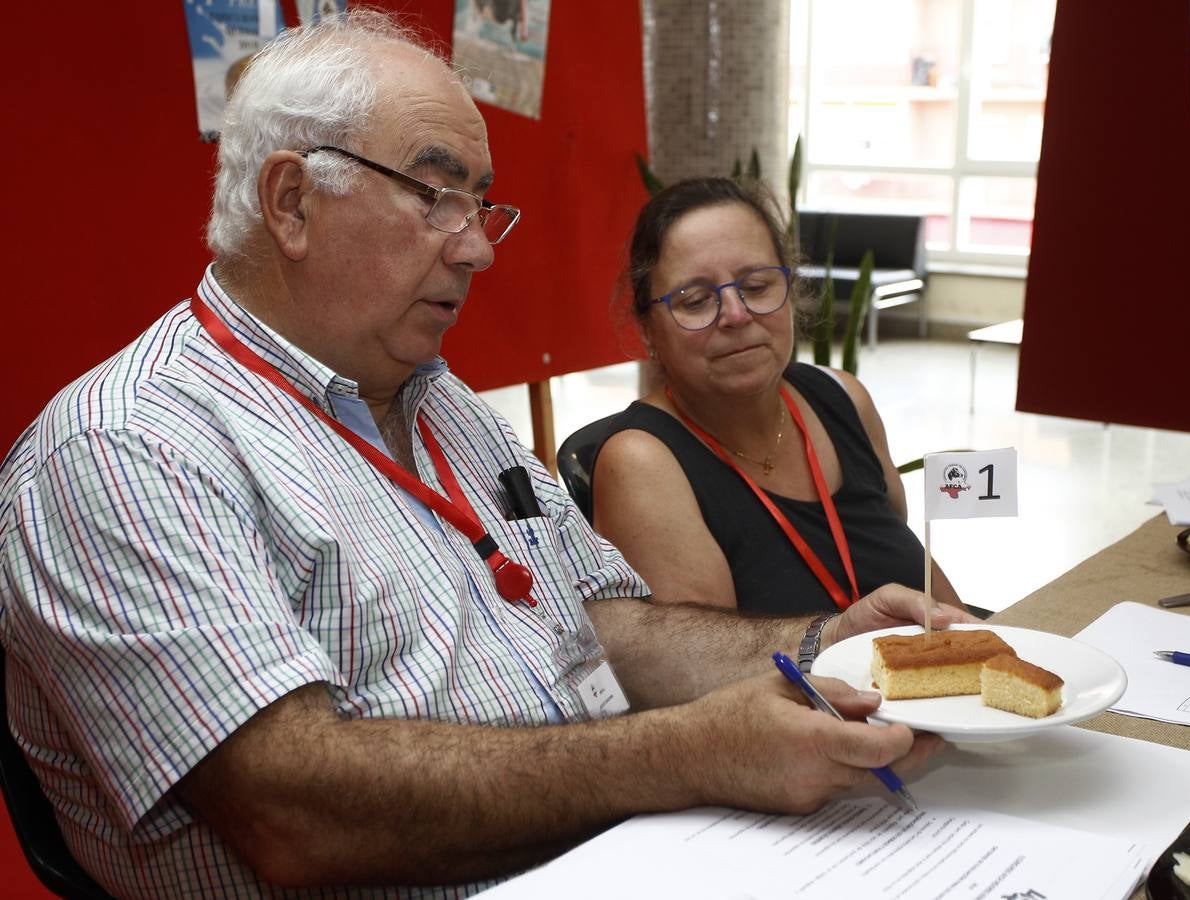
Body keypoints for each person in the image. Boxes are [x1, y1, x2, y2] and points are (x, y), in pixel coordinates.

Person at [0, 11, 967, 898]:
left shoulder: (442, 400)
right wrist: (685, 755)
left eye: (482, 205)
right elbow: (292, 814)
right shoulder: (128, 449)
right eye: (436, 196)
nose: (478, 250)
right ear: (291, 201)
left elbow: (601, 627)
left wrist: (816, 645)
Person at [591, 177, 968, 617]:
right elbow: (707, 669)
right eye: (695, 300)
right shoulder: (642, 463)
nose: (736, 314)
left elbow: (929, 589)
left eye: (756, 286)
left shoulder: (845, 399)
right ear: (647, 330)